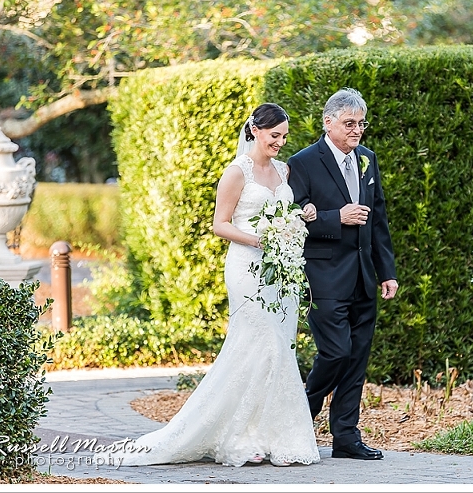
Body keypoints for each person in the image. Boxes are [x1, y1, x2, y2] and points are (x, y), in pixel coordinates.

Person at [95, 103, 320, 468]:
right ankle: (239, 435)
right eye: (274, 135)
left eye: (283, 136)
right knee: (259, 342)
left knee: (279, 346)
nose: (280, 142)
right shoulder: (236, 172)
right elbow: (220, 224)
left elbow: (285, 213)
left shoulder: (284, 169)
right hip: (248, 267)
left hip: (281, 272)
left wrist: (299, 217)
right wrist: (258, 239)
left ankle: (269, 433)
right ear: (256, 131)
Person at [287, 87, 398, 461]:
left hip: (365, 276)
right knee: (336, 353)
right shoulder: (302, 163)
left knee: (357, 359)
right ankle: (302, 413)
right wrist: (338, 217)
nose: (357, 131)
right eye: (349, 123)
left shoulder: (368, 159)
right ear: (328, 122)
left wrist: (387, 272)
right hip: (325, 277)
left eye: (361, 124)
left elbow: (378, 219)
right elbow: (293, 219)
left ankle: (346, 437)